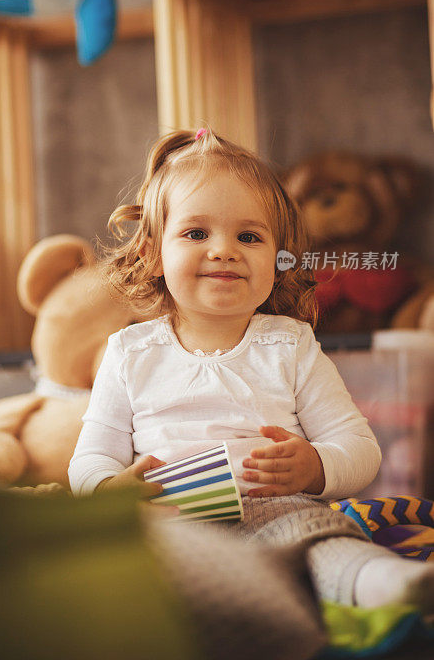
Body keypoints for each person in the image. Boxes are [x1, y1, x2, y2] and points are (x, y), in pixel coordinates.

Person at [69, 127, 434, 616]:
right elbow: (90, 457)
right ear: (153, 254)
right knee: (138, 572)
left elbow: (360, 450)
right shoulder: (130, 353)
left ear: (278, 261)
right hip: (173, 521)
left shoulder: (290, 344)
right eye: (196, 233)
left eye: (249, 236)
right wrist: (108, 488)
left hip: (279, 512)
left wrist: (315, 465)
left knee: (327, 543)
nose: (225, 250)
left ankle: (382, 583)